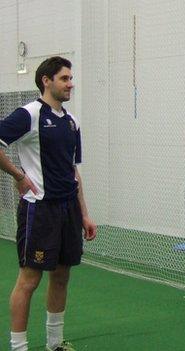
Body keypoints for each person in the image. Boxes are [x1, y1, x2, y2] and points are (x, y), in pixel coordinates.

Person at [0, 56, 97, 351]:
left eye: (71, 78)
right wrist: (18, 176)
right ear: (46, 80)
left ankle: (54, 344)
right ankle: (19, 347)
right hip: (39, 209)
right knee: (29, 279)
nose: (71, 84)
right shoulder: (29, 114)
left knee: (61, 275)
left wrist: (84, 214)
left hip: (68, 210)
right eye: (64, 78)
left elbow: (73, 171)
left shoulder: (71, 122)